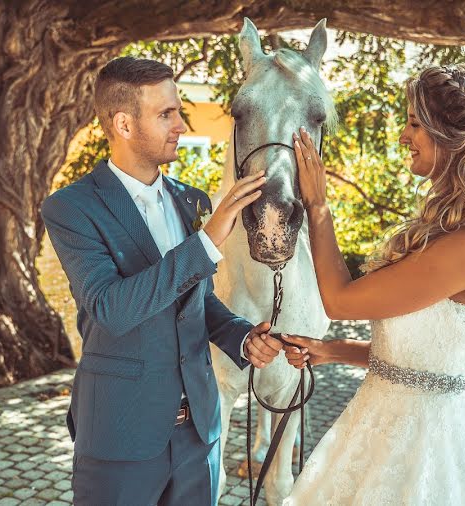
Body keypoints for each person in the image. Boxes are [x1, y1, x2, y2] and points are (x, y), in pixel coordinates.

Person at [40, 56, 283, 506]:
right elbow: (111, 309)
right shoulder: (71, 208)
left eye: (178, 110)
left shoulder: (191, 200)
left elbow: (197, 301)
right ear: (124, 124)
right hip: (121, 434)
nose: (180, 123)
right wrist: (207, 242)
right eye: (166, 113)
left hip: (200, 435)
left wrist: (243, 336)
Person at [282, 62, 465, 504]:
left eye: (413, 124)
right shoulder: (450, 232)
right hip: (376, 430)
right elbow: (421, 364)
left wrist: (317, 206)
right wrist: (330, 351)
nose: (403, 137)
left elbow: (339, 300)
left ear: (451, 137)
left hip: (420, 454)